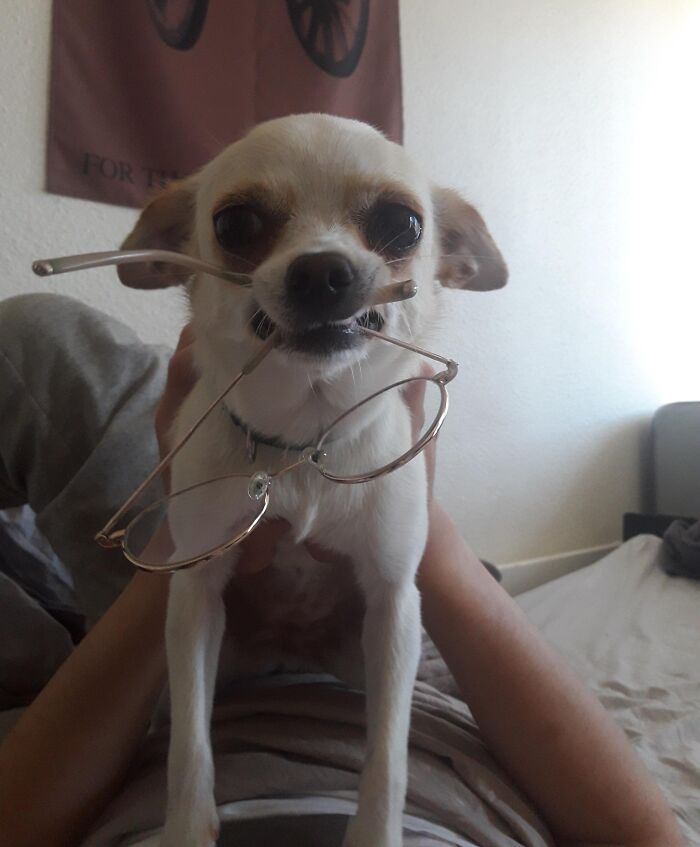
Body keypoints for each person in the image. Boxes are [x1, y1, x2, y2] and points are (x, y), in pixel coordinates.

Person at [0, 294, 682, 847]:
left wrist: (192, 524)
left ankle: (242, 394)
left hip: (171, 652)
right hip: (395, 641)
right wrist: (424, 532)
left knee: (35, 342)